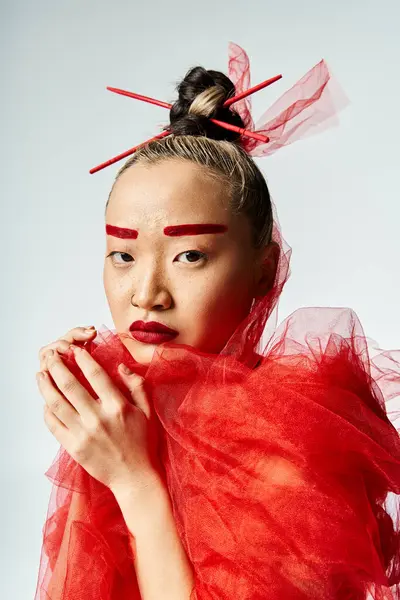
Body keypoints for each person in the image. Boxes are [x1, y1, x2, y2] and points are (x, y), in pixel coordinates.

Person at [34, 43, 400, 599]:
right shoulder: (123, 416)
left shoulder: (293, 447)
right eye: (123, 256)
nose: (147, 296)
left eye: (190, 256)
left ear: (264, 269)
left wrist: (135, 483)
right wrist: (93, 431)